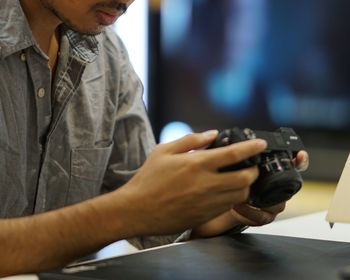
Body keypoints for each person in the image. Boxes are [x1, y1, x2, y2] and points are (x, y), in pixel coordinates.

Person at [0, 0, 309, 276]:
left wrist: (223, 206)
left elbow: (153, 218)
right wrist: (125, 213)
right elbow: (133, 209)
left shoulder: (107, 53)